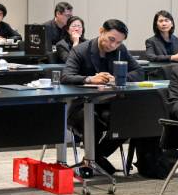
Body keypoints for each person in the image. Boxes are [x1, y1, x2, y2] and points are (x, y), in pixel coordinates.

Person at [61, 19, 142, 174]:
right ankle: (93, 160)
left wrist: (118, 78)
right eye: (111, 39)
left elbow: (139, 72)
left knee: (127, 120)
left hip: (108, 103)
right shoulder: (81, 50)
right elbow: (65, 77)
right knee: (93, 122)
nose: (113, 45)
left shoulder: (120, 50)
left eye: (118, 42)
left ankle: (95, 157)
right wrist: (89, 79)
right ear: (101, 31)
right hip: (81, 105)